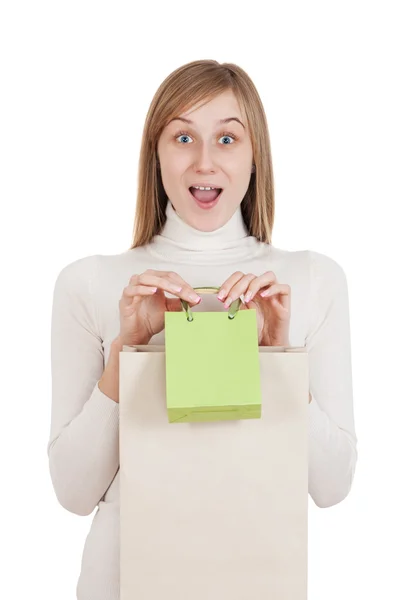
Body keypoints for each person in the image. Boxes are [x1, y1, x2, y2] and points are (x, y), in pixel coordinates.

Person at [48, 59, 358, 600]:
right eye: (184, 136)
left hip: (261, 582)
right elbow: (73, 493)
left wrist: (279, 362)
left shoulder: (312, 280)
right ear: (156, 153)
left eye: (227, 139)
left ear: (254, 153)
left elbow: (332, 487)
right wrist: (129, 352)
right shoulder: (91, 283)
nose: (205, 161)